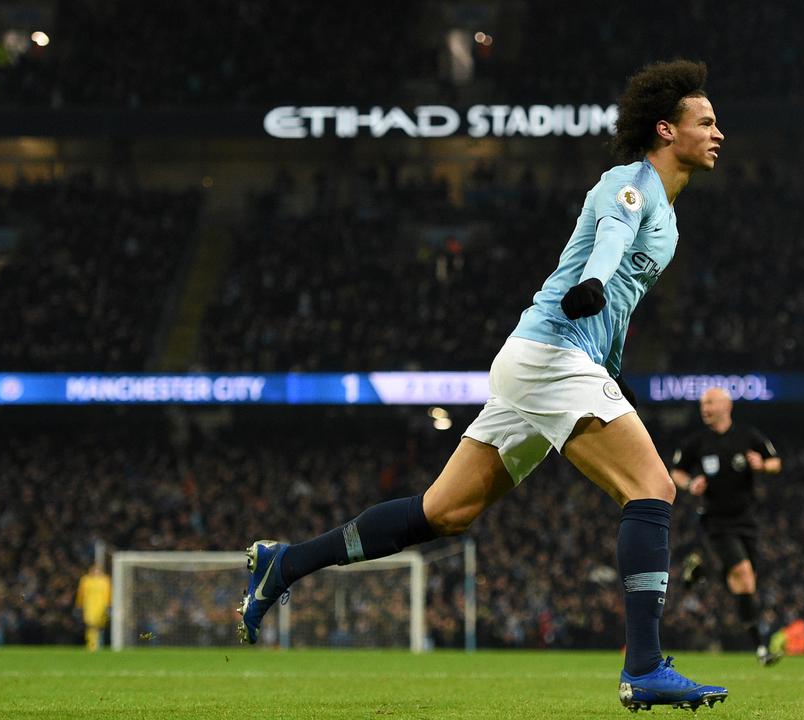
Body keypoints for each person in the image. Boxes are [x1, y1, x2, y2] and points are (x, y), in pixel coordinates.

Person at [235, 59, 728, 712]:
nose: (719, 133)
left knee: (444, 512)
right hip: (552, 354)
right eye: (706, 122)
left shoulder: (669, 216)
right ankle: (643, 669)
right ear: (666, 130)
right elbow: (610, 241)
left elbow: (620, 297)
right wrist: (593, 282)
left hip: (548, 362)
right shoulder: (629, 184)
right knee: (653, 487)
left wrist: (611, 358)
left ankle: (287, 563)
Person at [670, 387, 782, 666]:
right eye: (702, 404)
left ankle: (704, 570)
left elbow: (776, 462)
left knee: (745, 583)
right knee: (743, 574)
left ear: (726, 405)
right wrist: (690, 484)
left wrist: (762, 465)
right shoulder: (698, 442)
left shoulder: (748, 436)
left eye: (710, 402)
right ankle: (760, 648)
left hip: (747, 520)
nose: (704, 408)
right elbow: (677, 471)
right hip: (716, 521)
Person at [75, 564, 111, 651]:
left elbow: (109, 593)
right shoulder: (85, 580)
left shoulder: (105, 580)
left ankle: (99, 644)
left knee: (99, 626)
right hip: (89, 606)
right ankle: (92, 645)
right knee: (91, 625)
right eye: (94, 570)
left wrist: (109, 605)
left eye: (97, 570)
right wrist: (79, 605)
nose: (95, 572)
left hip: (101, 606)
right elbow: (81, 593)